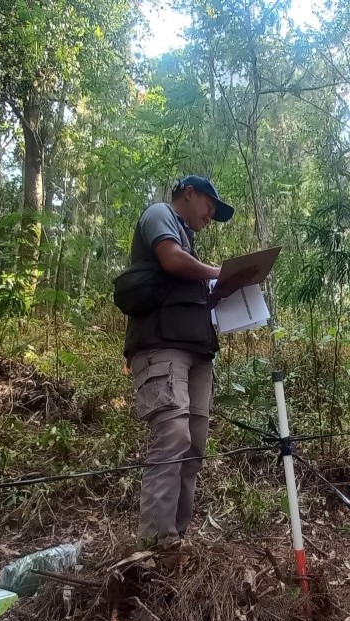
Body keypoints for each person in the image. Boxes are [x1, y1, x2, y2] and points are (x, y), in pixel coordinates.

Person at [124, 175, 242, 550]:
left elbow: (186, 284)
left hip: (197, 352)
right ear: (188, 194)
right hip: (163, 347)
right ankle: (157, 541)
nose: (211, 215)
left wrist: (221, 291)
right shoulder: (160, 214)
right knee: (172, 437)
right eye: (209, 205)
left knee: (195, 444)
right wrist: (218, 272)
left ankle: (177, 537)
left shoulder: (188, 240)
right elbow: (171, 260)